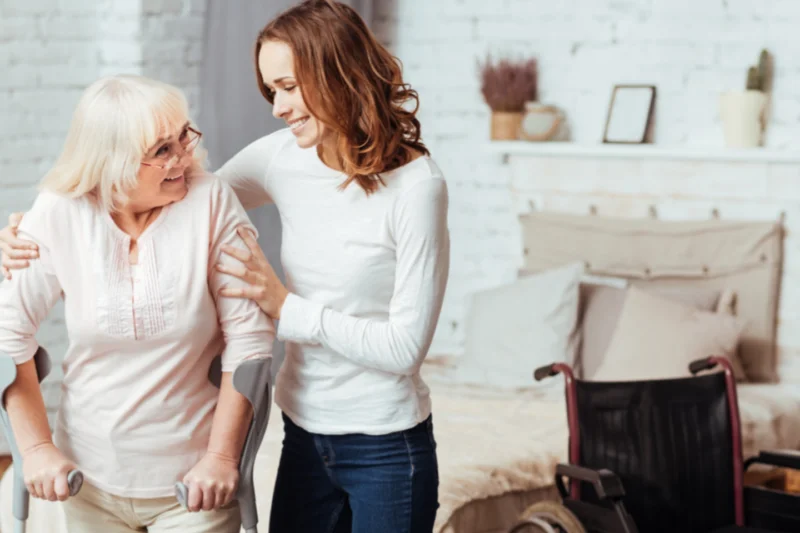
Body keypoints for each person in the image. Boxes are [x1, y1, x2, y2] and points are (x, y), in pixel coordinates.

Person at [1, 1, 450, 532]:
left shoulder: (417, 189)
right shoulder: (281, 156)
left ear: (336, 73)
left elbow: (403, 348)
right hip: (304, 428)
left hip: (384, 436)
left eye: (288, 86)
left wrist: (284, 307)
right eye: (271, 90)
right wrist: (30, 232)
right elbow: (195, 194)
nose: (277, 107)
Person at [0, 74, 275, 533]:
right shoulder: (59, 212)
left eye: (183, 137)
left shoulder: (210, 202)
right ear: (112, 162)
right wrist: (37, 449)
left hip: (194, 484)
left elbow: (250, 341)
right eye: (162, 150)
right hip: (87, 478)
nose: (183, 158)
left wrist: (222, 458)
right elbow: (8, 335)